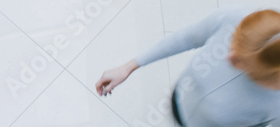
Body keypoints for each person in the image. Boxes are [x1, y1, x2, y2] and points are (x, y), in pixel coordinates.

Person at [96, 8, 280, 126]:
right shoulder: (234, 20)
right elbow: (187, 38)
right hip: (179, 102)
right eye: (233, 45)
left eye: (239, 60)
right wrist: (129, 66)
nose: (229, 56)